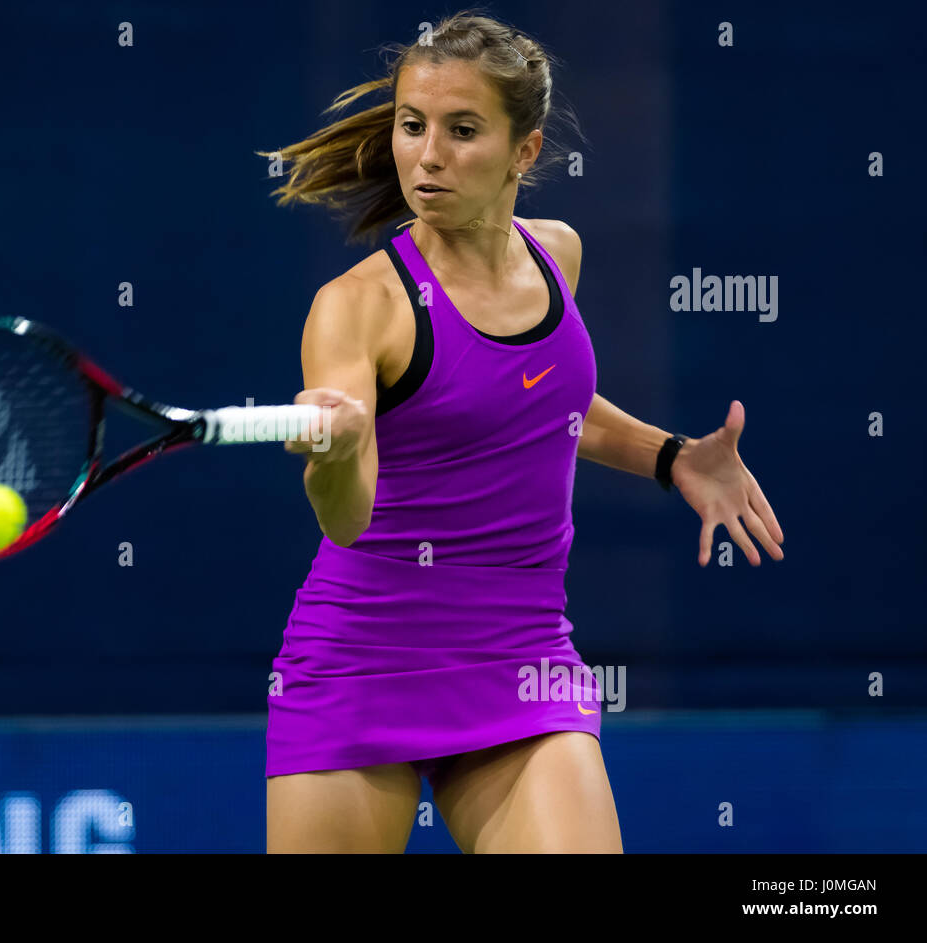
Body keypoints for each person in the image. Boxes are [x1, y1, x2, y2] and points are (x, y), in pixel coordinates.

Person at [260, 11, 785, 853]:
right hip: (361, 662)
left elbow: (536, 403)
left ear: (525, 151)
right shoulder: (357, 307)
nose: (426, 156)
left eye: (462, 130)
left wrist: (671, 456)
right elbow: (344, 518)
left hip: (522, 656)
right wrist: (339, 450)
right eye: (411, 125)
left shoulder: (557, 255)